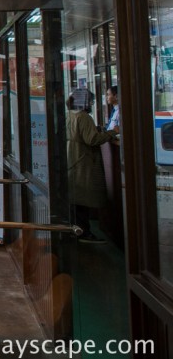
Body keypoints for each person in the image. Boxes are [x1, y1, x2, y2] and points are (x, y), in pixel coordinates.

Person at [67, 88, 118, 243]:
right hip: (83, 160)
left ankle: (75, 229)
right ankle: (83, 232)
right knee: (83, 199)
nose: (92, 103)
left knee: (76, 197)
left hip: (72, 158)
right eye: (90, 100)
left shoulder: (70, 115)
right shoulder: (83, 117)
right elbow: (92, 139)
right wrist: (112, 132)